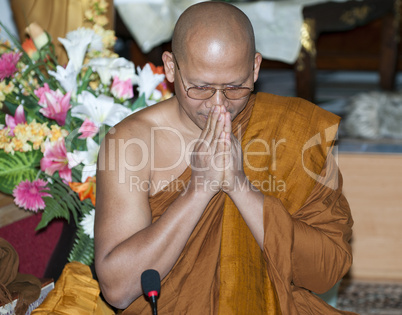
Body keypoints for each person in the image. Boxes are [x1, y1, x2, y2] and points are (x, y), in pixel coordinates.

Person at [95, 2, 355, 314]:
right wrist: (200, 188)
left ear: (255, 68)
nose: (219, 106)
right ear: (170, 66)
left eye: (235, 87)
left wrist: (239, 186)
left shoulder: (293, 131)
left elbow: (326, 271)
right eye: (201, 88)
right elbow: (118, 289)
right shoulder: (130, 143)